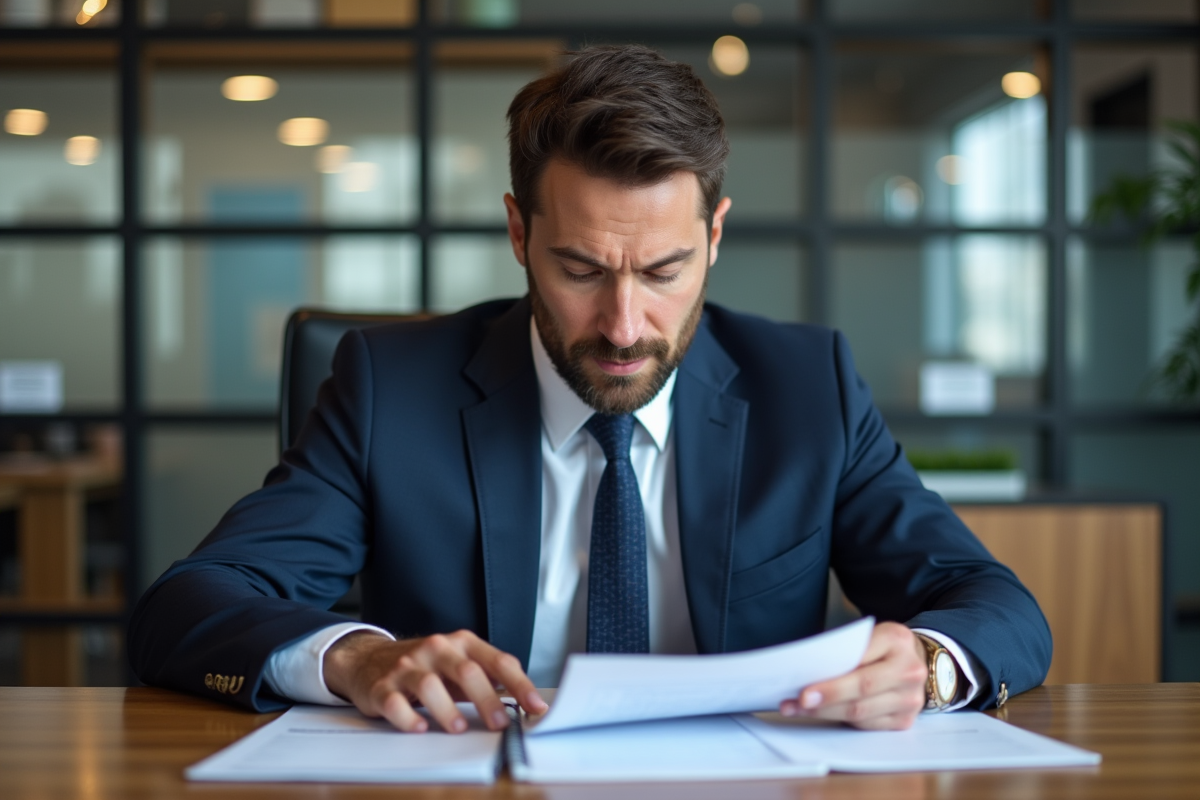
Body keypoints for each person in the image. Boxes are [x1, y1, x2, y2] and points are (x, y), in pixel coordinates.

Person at [128, 45, 1051, 736]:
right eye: (579, 268)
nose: (622, 325)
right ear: (519, 233)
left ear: (716, 236)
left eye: (664, 270)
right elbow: (189, 605)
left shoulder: (808, 389)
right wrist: (358, 658)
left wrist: (927, 666)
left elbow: (993, 603)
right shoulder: (388, 388)